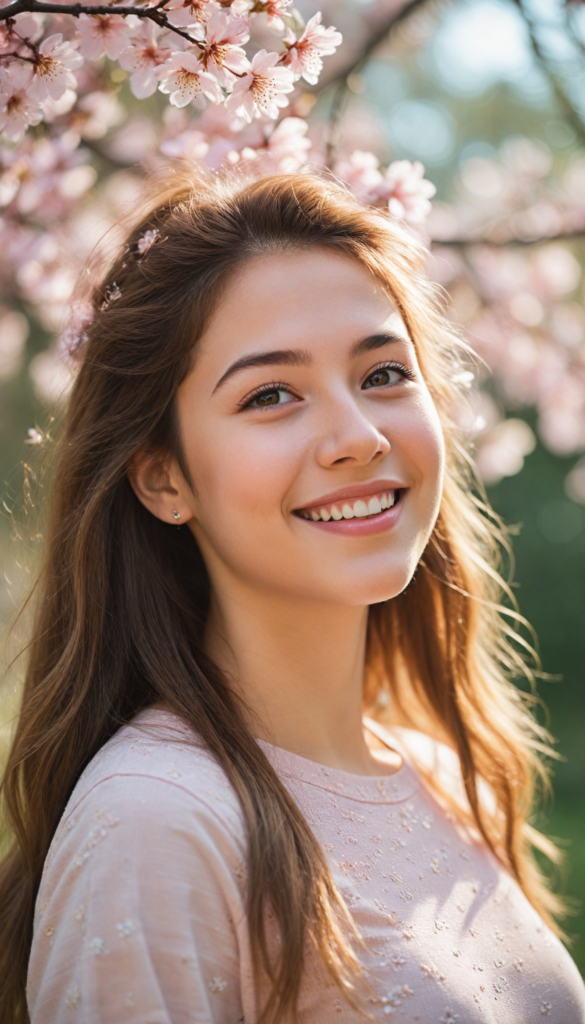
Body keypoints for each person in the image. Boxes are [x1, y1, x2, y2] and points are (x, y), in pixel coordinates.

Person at [0, 170, 584, 1024]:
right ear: (164, 478)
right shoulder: (158, 821)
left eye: (383, 373)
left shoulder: (439, 774)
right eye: (270, 394)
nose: (359, 435)